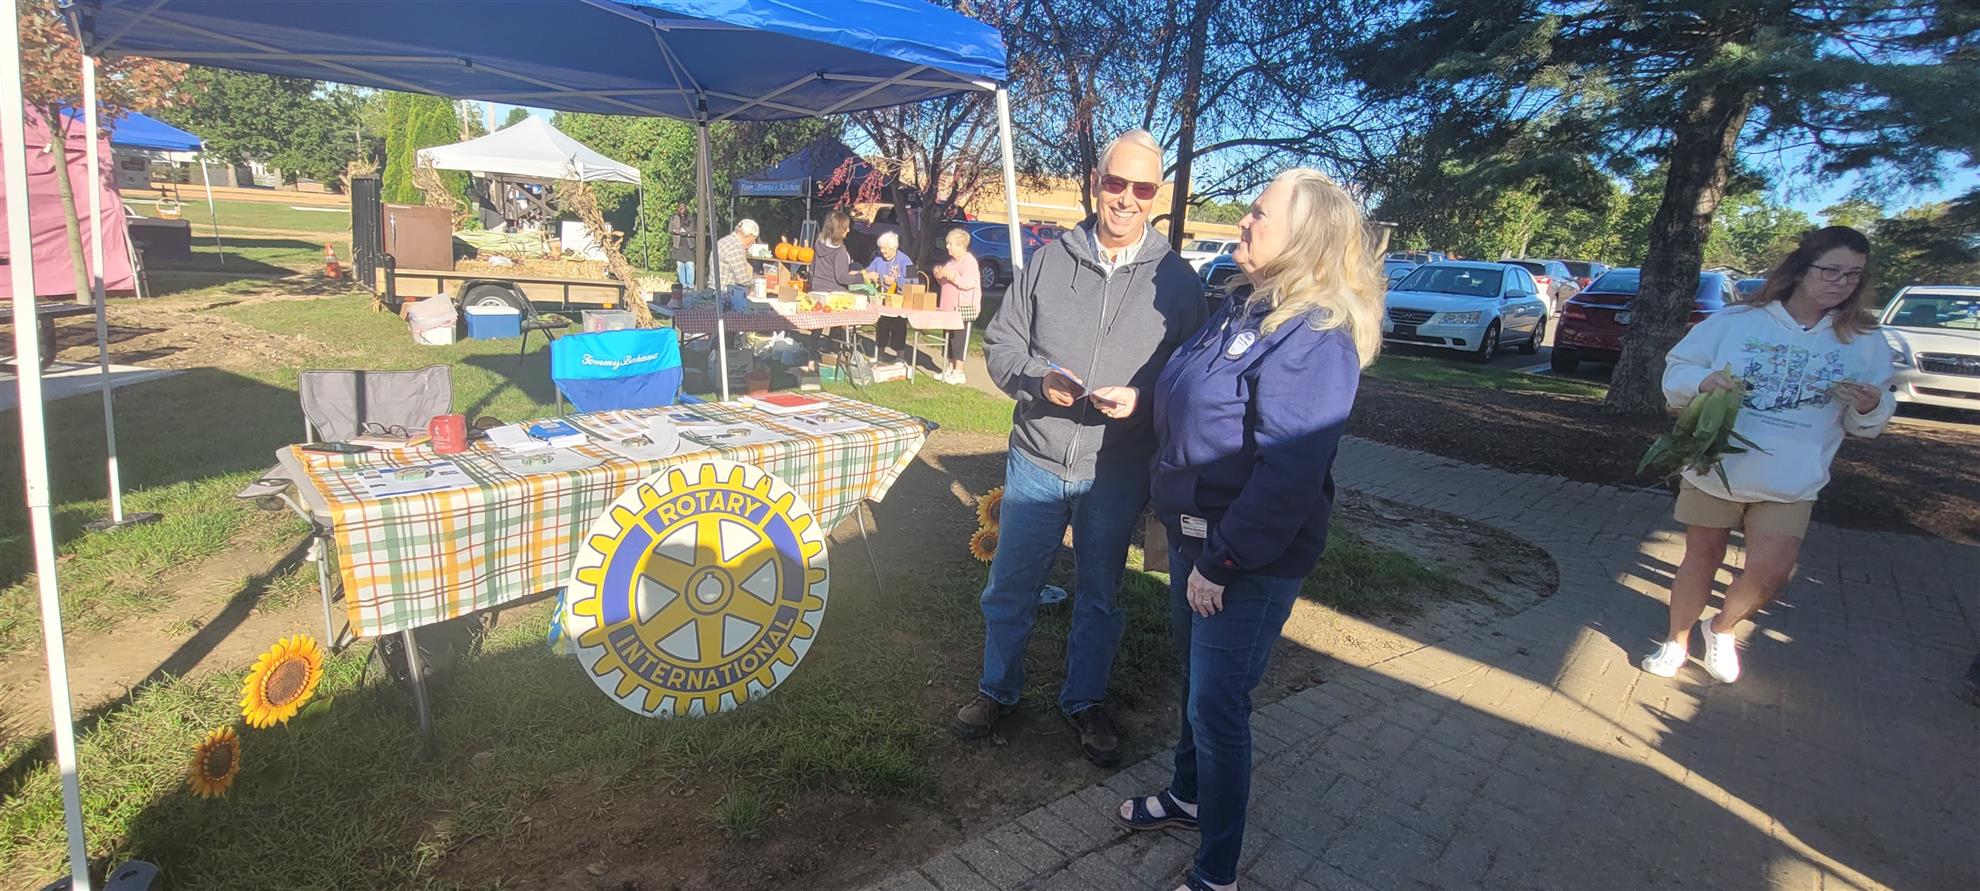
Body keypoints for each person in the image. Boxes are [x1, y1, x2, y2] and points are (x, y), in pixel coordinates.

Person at [1110, 169, 1384, 891]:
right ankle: (1188, 795)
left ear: (1305, 236)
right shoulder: (1246, 307)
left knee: (1218, 705)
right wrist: (1143, 399)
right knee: (1200, 686)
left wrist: (1223, 561)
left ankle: (1215, 873)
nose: (1243, 221)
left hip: (1243, 558)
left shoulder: (1315, 336)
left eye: (1259, 213)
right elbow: (1196, 392)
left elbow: (1290, 471)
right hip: (1198, 538)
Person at [957, 130, 1207, 767]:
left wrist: (1145, 400)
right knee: (1011, 586)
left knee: (1100, 594)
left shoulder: (1178, 282)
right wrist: (1039, 380)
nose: (1126, 198)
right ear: (1096, 182)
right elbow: (1002, 344)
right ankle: (997, 690)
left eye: (1142, 188)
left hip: (1115, 470)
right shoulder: (1047, 260)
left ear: (1157, 196)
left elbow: (1191, 379)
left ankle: (1084, 699)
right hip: (1037, 456)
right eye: (1115, 182)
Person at [1640, 226, 1894, 684]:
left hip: (1792, 477)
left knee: (1771, 572)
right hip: (1719, 467)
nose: (1840, 282)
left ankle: (1720, 627)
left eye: (1853, 275)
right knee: (1701, 557)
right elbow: (1679, 368)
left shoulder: (1864, 339)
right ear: (1800, 270)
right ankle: (1676, 641)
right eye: (1831, 270)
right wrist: (1703, 382)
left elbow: (1870, 417)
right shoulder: (1739, 322)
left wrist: (1872, 405)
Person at [930, 227, 982, 384]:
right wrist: (939, 274)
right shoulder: (951, 262)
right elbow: (945, 282)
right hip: (947, 308)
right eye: (947, 243)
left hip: (963, 309)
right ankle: (950, 368)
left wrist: (950, 275)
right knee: (949, 338)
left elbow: (967, 283)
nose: (947, 246)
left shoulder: (969, 262)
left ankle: (959, 371)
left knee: (959, 339)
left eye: (950, 244)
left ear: (961, 245)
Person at [868, 231, 917, 363]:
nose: (882, 251)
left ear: (894, 248)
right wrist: (871, 276)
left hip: (899, 302)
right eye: (881, 248)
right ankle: (880, 354)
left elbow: (914, 281)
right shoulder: (878, 258)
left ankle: (900, 357)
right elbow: (869, 272)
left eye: (885, 248)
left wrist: (896, 282)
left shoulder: (905, 260)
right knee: (882, 326)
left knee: (899, 327)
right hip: (882, 300)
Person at [810, 210, 864, 292]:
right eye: (846, 227)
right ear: (840, 229)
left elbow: (812, 269)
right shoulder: (839, 251)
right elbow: (842, 278)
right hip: (835, 293)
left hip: (816, 289)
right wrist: (863, 277)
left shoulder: (818, 243)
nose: (848, 230)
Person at [713, 218, 758, 311]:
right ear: (749, 236)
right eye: (753, 240)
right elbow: (742, 280)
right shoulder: (736, 247)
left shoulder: (724, 241)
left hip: (714, 290)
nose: (752, 244)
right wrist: (756, 282)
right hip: (725, 296)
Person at [668, 203, 698, 289]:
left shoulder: (691, 218)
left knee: (690, 266)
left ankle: (690, 285)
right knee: (680, 266)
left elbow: (696, 231)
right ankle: (683, 285)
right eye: (680, 208)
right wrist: (675, 231)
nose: (681, 210)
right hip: (678, 245)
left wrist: (687, 233)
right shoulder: (674, 218)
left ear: (686, 209)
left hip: (689, 245)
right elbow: (670, 229)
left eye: (683, 208)